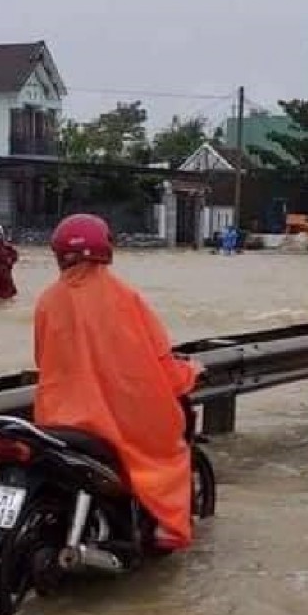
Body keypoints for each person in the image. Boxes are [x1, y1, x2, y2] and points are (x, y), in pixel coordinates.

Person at [33, 213, 201, 550]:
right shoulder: (126, 298)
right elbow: (159, 361)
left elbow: (42, 359)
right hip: (109, 420)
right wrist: (190, 373)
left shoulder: (47, 301)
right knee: (169, 450)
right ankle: (166, 530)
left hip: (55, 418)